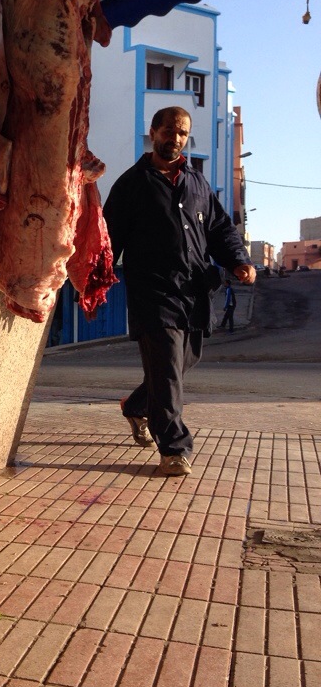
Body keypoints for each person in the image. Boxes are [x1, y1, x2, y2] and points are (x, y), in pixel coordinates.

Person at [103, 106, 256, 477]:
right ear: (153, 132)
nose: (175, 138)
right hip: (153, 291)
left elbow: (220, 229)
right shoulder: (132, 184)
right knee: (169, 370)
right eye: (169, 130)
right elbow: (108, 238)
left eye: (183, 133)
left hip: (194, 291)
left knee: (182, 363)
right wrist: (94, 282)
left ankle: (136, 406)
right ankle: (174, 448)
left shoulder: (197, 183)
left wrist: (238, 261)